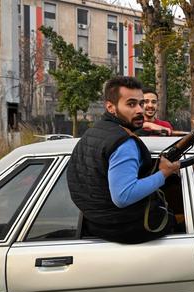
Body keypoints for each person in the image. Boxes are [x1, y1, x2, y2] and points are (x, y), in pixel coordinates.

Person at [67, 76, 181, 244]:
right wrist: (164, 173)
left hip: (95, 223)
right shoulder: (123, 143)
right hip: (125, 228)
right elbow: (123, 196)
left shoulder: (95, 131)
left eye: (141, 104)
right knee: (179, 221)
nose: (140, 110)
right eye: (131, 104)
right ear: (111, 107)